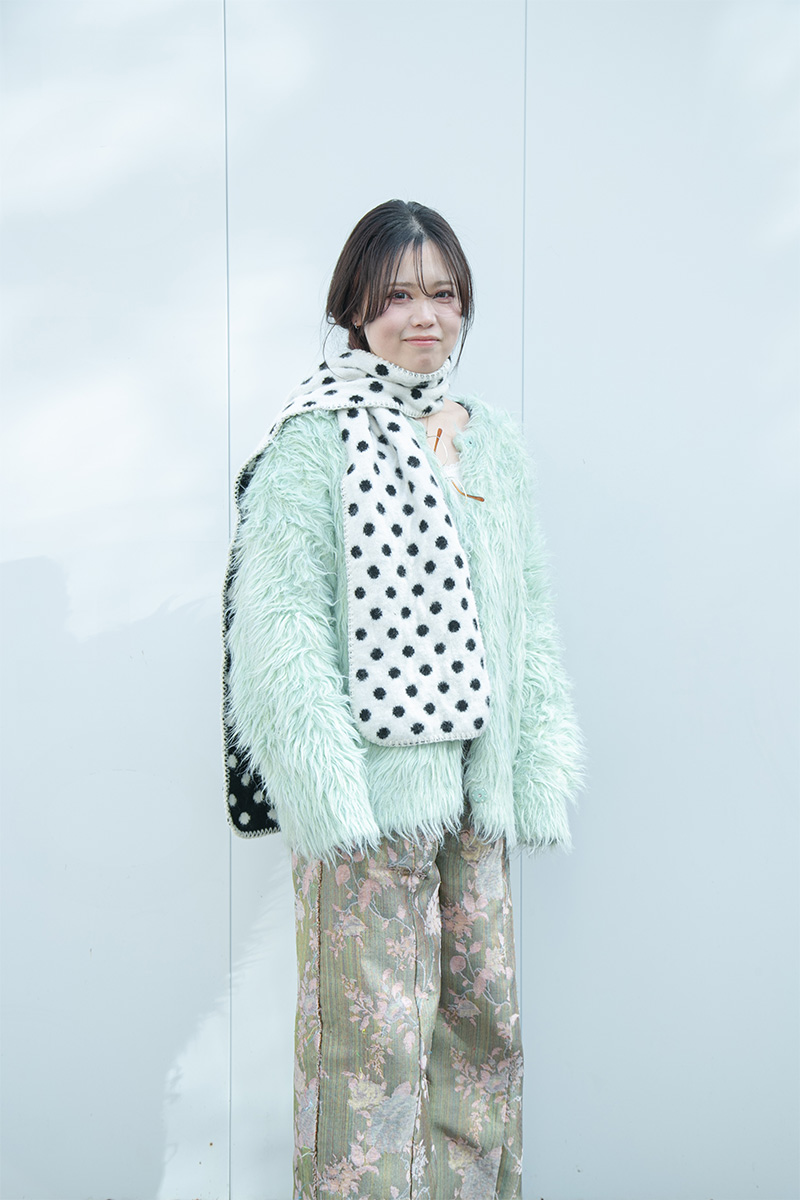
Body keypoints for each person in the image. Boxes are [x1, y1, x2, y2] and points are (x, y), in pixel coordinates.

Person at [222, 199, 583, 1199]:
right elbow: (281, 629)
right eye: (398, 296)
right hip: (368, 804)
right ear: (354, 309)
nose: (425, 315)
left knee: (481, 1037)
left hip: (475, 787)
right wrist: (330, 803)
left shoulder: (487, 440)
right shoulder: (313, 440)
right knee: (366, 1054)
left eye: (443, 293)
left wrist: (531, 770)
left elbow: (524, 612)